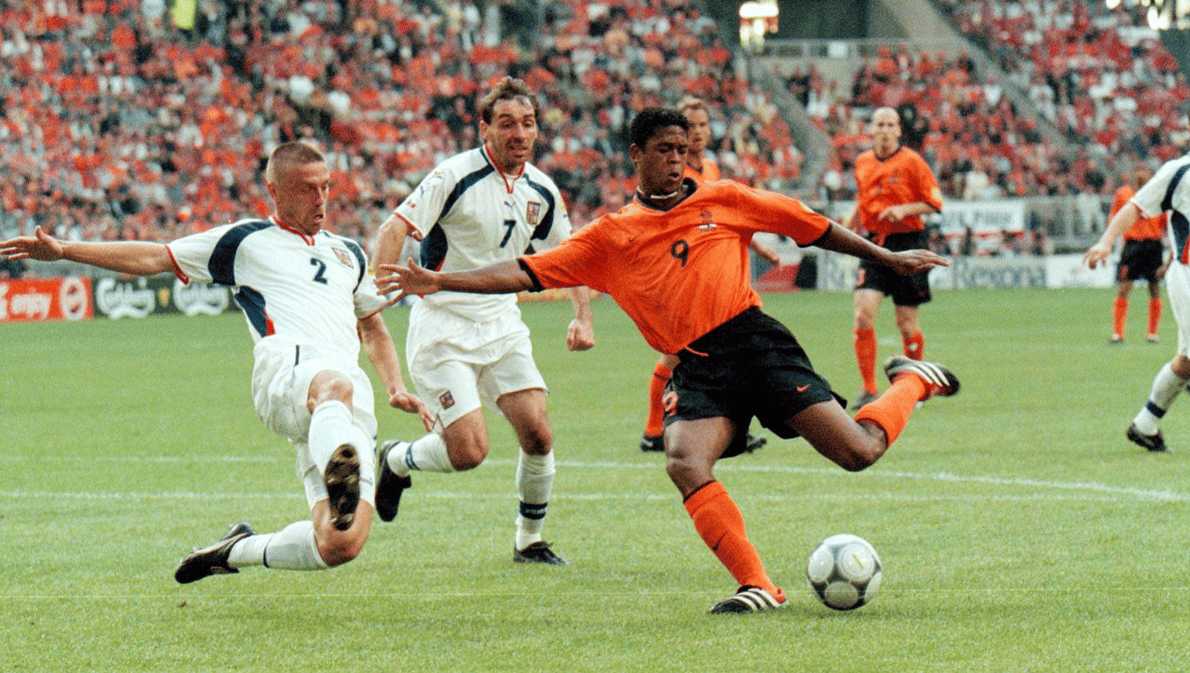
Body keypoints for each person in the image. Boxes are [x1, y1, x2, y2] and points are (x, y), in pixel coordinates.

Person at [379, 107, 960, 614]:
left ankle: (911, 381)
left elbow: (812, 227)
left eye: (683, 150)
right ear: (637, 155)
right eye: (664, 150)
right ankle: (757, 584)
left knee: (858, 452)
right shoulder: (611, 237)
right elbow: (526, 272)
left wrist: (887, 256)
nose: (677, 160)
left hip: (756, 345)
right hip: (698, 366)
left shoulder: (725, 198)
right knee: (684, 462)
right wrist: (439, 279)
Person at [0, 140, 432, 582]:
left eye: (325, 187)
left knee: (340, 543)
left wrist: (395, 386)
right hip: (287, 375)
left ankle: (234, 550)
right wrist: (68, 250)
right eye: (306, 189)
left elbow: (373, 327)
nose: (320, 199)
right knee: (332, 386)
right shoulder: (245, 241)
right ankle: (340, 466)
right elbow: (156, 256)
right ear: (275, 191)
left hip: (341, 405)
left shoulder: (349, 254)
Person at [370, 77, 595, 565]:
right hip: (444, 329)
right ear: (485, 129)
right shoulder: (454, 176)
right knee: (469, 452)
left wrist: (583, 315)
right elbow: (395, 228)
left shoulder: (542, 190)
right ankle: (396, 459)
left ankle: (528, 541)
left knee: (538, 433)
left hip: (502, 325)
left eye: (529, 124)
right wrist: (373, 295)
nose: (520, 133)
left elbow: (572, 256)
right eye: (507, 123)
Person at [638, 97, 777, 454]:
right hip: (683, 276)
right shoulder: (674, 173)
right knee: (680, 354)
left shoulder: (711, 169)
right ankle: (656, 429)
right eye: (690, 126)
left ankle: (675, 430)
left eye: (702, 125)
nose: (697, 132)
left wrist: (758, 248)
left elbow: (724, 218)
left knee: (710, 352)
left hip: (712, 278)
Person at [1085, 152, 1190, 452]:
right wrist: (1106, 242)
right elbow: (1135, 207)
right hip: (1187, 275)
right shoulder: (1179, 171)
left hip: (1173, 259)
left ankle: (1145, 424)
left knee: (1186, 362)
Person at [843, 106, 944, 410]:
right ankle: (868, 388)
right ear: (871, 129)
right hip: (874, 243)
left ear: (899, 130)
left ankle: (915, 384)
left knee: (906, 321)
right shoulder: (862, 162)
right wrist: (844, 229)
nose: (885, 129)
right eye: (880, 124)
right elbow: (863, 202)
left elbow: (934, 203)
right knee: (863, 313)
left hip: (908, 243)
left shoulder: (912, 162)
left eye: (891, 124)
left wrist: (904, 210)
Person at [1107, 167, 1170, 344]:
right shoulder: (1123, 193)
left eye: (1145, 173)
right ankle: (1118, 334)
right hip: (1132, 245)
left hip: (1153, 244)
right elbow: (1115, 218)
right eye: (1138, 172)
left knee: (1155, 287)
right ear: (1134, 176)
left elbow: (1165, 221)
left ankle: (1152, 333)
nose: (1141, 175)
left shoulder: (1158, 194)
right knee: (1124, 287)